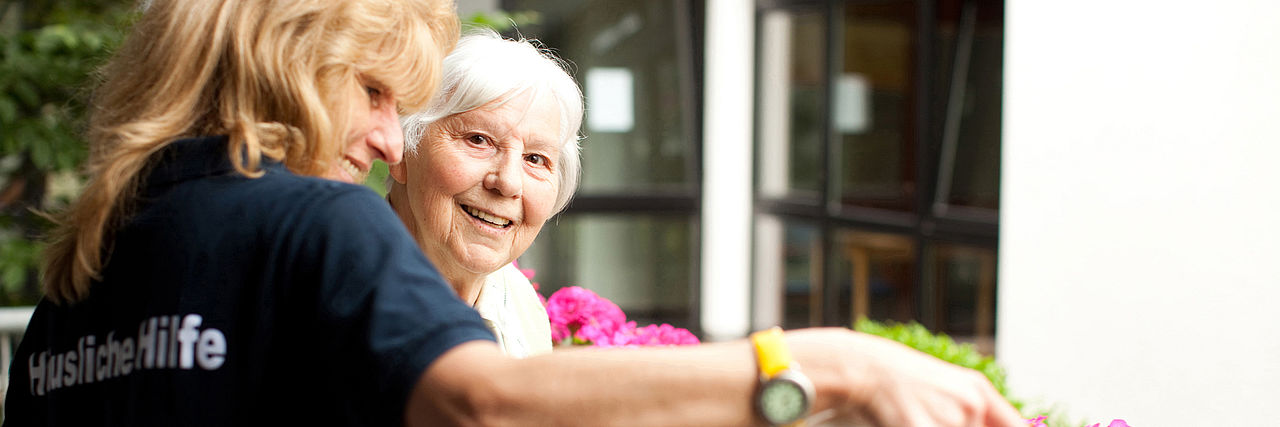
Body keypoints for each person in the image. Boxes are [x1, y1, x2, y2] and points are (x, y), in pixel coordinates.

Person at [5, 0, 1026, 426]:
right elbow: (484, 399)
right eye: (374, 92)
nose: (387, 138)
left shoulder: (81, 277)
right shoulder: (314, 220)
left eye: (538, 159)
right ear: (288, 65)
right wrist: (821, 363)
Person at [386, 30, 582, 358]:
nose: (508, 182)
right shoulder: (335, 293)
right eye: (478, 140)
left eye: (535, 159)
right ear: (402, 151)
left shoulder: (520, 303)